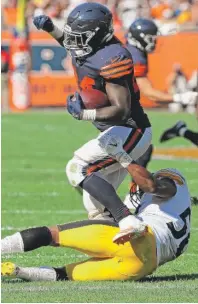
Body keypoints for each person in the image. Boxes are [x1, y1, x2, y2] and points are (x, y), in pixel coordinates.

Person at [32, 2, 153, 235]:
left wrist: (83, 113)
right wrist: (51, 28)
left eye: (80, 37)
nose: (72, 41)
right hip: (115, 133)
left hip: (131, 131)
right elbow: (69, 43)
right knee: (95, 207)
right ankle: (131, 239)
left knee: (77, 168)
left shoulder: (111, 57)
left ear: (96, 36)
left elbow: (122, 109)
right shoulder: (90, 48)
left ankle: (128, 221)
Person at [1, 162, 191, 281]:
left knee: (52, 235)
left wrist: (126, 160)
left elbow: (151, 185)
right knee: (63, 275)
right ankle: (19, 272)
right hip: (139, 268)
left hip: (139, 238)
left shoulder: (172, 183)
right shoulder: (178, 222)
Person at [124, 17, 198, 208]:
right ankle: (129, 201)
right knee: (137, 151)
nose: (155, 42)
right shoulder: (135, 55)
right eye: (151, 38)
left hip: (121, 109)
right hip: (116, 111)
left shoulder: (132, 51)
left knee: (141, 149)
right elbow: (149, 93)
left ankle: (132, 197)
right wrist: (179, 98)